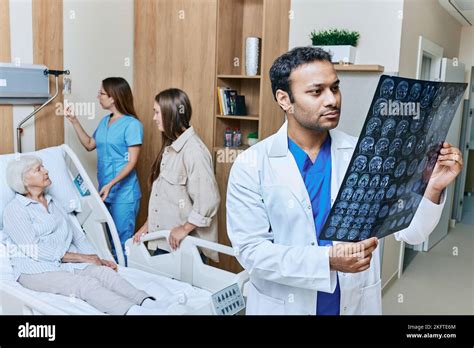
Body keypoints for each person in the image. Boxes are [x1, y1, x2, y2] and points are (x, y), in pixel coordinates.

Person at [225, 46, 464, 315]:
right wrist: (328, 261)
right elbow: (252, 253)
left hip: (353, 302)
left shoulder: (367, 155)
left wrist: (432, 188)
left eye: (335, 88)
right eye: (317, 92)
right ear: (284, 99)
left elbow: (411, 233)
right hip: (285, 304)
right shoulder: (251, 165)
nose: (332, 100)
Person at [3, 156, 163, 315]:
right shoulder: (15, 210)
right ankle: (134, 312)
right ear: (24, 181)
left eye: (43, 166)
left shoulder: (54, 203)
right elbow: (34, 249)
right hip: (36, 269)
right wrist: (82, 258)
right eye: (39, 169)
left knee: (105, 273)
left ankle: (148, 303)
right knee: (85, 285)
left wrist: (97, 259)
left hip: (66, 263)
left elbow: (77, 237)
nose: (46, 171)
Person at [133, 88, 220, 262]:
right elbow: (165, 198)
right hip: (163, 243)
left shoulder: (194, 151)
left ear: (170, 114)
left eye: (157, 112)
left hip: (184, 247)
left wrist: (185, 228)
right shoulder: (170, 149)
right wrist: (147, 226)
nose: (154, 118)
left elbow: (208, 200)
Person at [65, 77, 143, 262]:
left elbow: (132, 162)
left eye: (101, 93)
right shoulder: (104, 122)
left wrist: (111, 184)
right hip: (105, 192)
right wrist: (74, 121)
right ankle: (114, 279)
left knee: (123, 243)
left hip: (124, 194)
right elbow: (89, 144)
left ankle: (128, 281)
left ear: (113, 98)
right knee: (108, 242)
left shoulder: (132, 125)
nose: (97, 96)